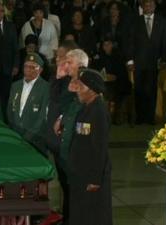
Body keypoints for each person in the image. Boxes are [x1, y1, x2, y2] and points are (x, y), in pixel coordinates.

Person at [68, 68, 112, 225]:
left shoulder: (98, 111)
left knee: (94, 216)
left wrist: (95, 179)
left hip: (91, 177)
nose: (77, 90)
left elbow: (99, 148)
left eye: (81, 86)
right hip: (81, 173)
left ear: (92, 90)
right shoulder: (86, 108)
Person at [51, 48, 89, 225]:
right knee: (65, 184)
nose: (65, 65)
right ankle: (67, 217)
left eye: (69, 62)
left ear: (80, 65)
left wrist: (61, 118)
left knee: (74, 186)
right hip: (63, 141)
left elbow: (76, 111)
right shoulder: (67, 80)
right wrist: (57, 78)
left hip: (76, 142)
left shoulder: (85, 84)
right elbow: (54, 102)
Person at [126, 0, 166, 124]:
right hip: (138, 62)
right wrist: (130, 61)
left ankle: (150, 117)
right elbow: (130, 42)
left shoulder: (162, 21)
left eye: (151, 5)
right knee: (139, 90)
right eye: (146, 5)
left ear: (155, 6)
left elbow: (164, 42)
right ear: (142, 7)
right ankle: (140, 117)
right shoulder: (135, 21)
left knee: (152, 90)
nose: (148, 7)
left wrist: (164, 60)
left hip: (155, 62)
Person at [7, 53, 49, 153]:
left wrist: (27, 137)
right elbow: (9, 110)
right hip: (16, 136)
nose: (28, 69)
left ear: (40, 70)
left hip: (36, 140)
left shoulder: (46, 88)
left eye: (33, 67)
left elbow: (43, 117)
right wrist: (14, 133)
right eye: (26, 66)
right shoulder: (15, 86)